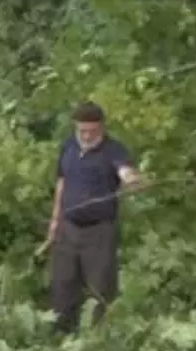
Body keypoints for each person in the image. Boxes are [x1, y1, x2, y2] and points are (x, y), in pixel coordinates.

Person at [45, 101, 143, 333]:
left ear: (102, 128)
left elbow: (124, 170)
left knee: (100, 288)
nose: (87, 136)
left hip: (99, 232)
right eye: (83, 131)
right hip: (68, 229)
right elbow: (62, 182)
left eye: (93, 131)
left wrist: (131, 178)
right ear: (75, 127)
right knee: (63, 285)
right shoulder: (68, 147)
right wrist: (55, 220)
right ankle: (60, 336)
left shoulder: (113, 150)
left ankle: (98, 340)